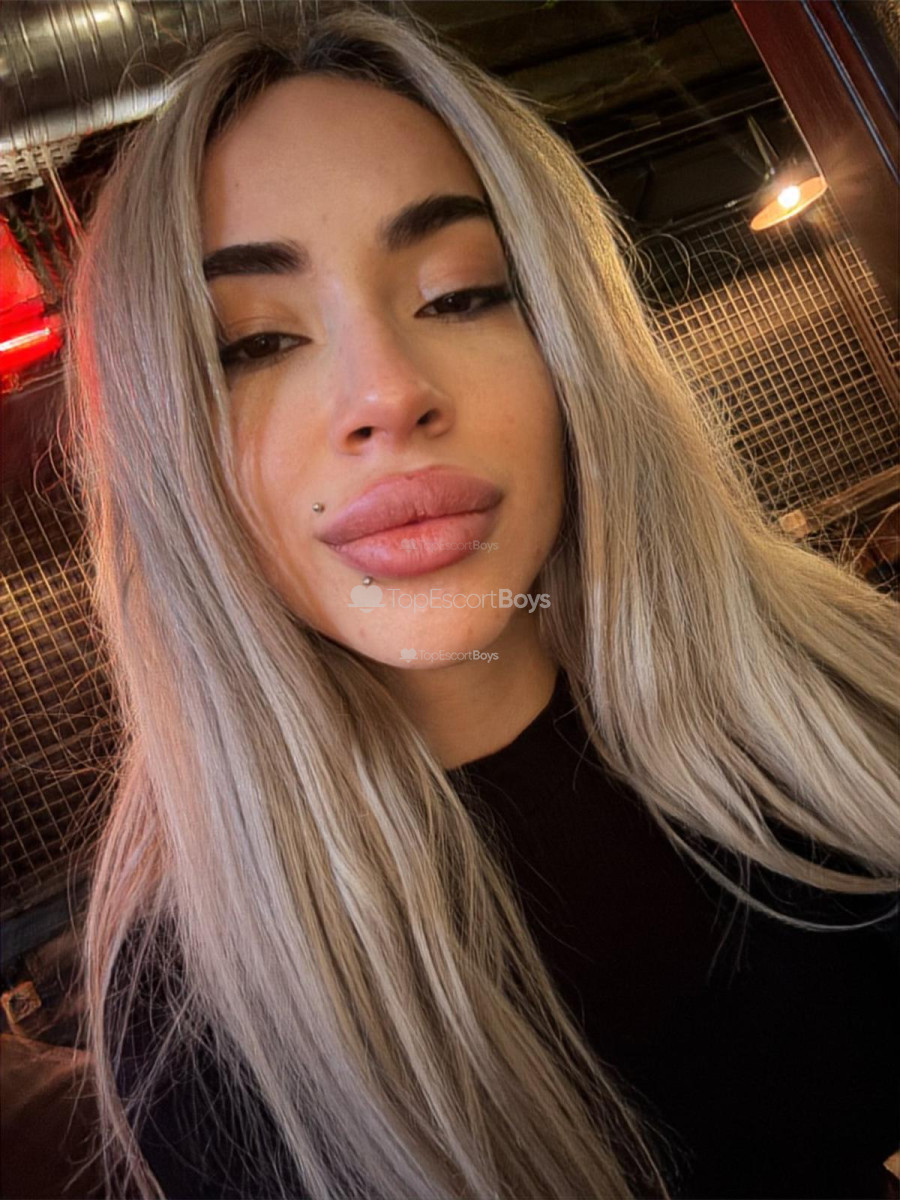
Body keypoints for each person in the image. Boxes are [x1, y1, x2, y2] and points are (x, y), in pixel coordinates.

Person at [60, 3, 899, 1198]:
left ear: (572, 344)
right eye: (250, 343)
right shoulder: (193, 1023)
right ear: (163, 457)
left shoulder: (845, 711)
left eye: (459, 294)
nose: (385, 394)